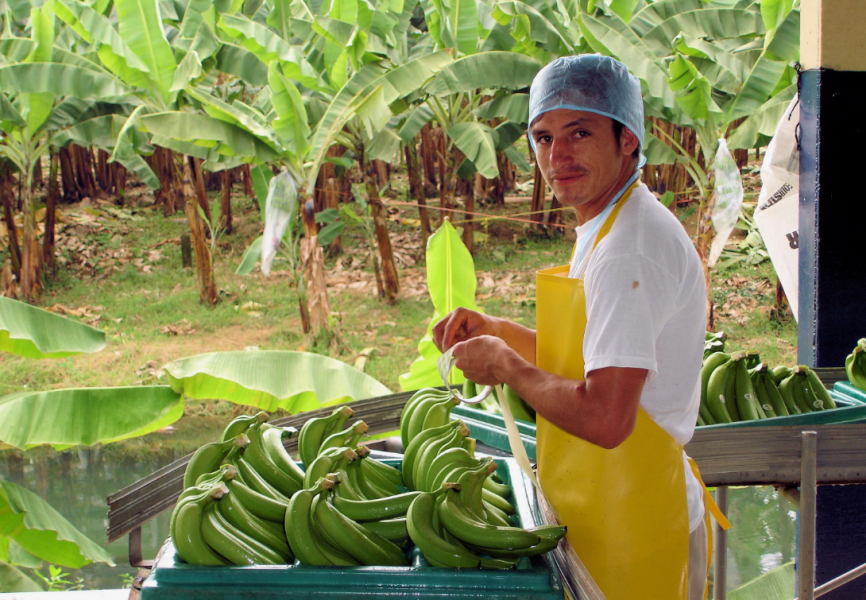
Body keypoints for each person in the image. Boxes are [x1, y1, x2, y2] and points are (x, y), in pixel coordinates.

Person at [432, 54, 728, 600]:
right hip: (608, 509)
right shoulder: (612, 220)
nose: (557, 155)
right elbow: (595, 358)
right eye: (543, 137)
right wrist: (497, 329)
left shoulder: (626, 251)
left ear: (628, 140)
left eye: (580, 132)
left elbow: (608, 415)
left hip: (632, 526)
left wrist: (506, 366)